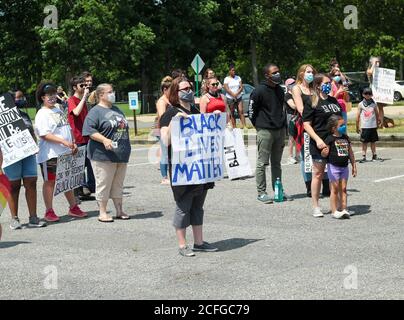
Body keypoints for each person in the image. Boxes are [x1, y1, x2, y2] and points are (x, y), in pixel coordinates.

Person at [159, 77, 218, 257]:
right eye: (184, 88)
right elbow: (164, 141)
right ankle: (182, 245)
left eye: (190, 87)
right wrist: (174, 122)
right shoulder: (170, 113)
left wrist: (214, 121)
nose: (189, 91)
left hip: (199, 167)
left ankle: (199, 242)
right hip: (182, 169)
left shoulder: (194, 110)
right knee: (183, 206)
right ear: (176, 92)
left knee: (198, 206)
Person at [34, 82, 87, 222]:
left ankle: (73, 207)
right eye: (48, 95)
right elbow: (44, 134)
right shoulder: (42, 113)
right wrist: (64, 142)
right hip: (50, 154)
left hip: (65, 152)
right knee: (50, 182)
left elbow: (67, 128)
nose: (51, 97)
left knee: (66, 180)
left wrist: (73, 142)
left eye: (53, 94)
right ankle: (49, 211)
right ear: (42, 98)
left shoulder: (58, 109)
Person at [83, 84, 131, 222]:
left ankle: (119, 210)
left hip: (120, 154)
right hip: (102, 155)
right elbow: (89, 130)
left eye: (113, 91)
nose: (113, 94)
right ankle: (102, 212)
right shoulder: (95, 112)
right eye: (109, 92)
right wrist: (104, 139)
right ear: (101, 95)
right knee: (103, 183)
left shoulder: (117, 110)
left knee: (118, 184)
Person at [3, 91, 47, 229]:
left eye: (20, 97)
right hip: (12, 156)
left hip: (28, 155)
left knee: (31, 183)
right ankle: (14, 218)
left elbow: (31, 132)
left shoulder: (24, 114)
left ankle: (33, 217)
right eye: (17, 98)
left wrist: (34, 145)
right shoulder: (1, 118)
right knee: (14, 186)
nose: (20, 99)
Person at [249, 63, 291, 203]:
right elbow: (251, 112)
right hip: (265, 130)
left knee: (276, 163)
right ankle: (261, 192)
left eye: (278, 71)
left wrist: (283, 127)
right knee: (262, 163)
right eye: (274, 72)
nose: (277, 74)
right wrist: (259, 127)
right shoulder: (258, 91)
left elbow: (282, 110)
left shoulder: (280, 90)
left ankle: (278, 190)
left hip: (279, 131)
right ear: (267, 75)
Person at [302, 74, 342, 218]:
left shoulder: (333, 100)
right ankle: (316, 206)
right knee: (318, 174)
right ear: (318, 85)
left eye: (330, 82)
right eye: (327, 82)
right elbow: (306, 124)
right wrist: (318, 140)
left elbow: (339, 121)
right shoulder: (311, 102)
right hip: (319, 143)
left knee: (334, 174)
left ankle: (336, 206)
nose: (330, 84)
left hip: (335, 143)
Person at [321, 115, 357, 219]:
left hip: (344, 167)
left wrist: (354, 165)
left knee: (344, 189)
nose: (344, 126)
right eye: (341, 125)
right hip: (333, 167)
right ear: (334, 128)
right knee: (335, 189)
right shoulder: (330, 139)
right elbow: (324, 154)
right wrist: (324, 152)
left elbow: (350, 152)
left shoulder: (345, 137)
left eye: (344, 124)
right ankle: (334, 210)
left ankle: (344, 209)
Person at [67, 75, 95, 198]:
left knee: (90, 164)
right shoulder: (72, 100)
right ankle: (78, 191)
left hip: (87, 137)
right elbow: (76, 112)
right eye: (81, 85)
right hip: (78, 138)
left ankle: (89, 188)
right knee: (79, 166)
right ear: (74, 87)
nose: (85, 87)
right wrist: (84, 97)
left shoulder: (85, 101)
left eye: (85, 85)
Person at [356, 87, 383, 163]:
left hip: (373, 126)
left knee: (373, 142)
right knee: (364, 142)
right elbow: (357, 116)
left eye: (369, 94)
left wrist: (378, 121)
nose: (368, 95)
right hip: (364, 126)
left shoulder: (374, 104)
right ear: (363, 95)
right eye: (366, 94)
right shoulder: (360, 104)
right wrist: (357, 126)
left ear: (372, 95)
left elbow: (377, 114)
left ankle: (374, 155)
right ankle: (364, 156)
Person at [154, 76, 173, 185]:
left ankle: (170, 173)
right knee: (164, 153)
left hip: (168, 129)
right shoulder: (161, 101)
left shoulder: (169, 99)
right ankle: (164, 177)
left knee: (169, 152)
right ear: (165, 90)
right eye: (171, 90)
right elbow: (162, 116)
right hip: (161, 129)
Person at [224, 64, 246, 129]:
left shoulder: (238, 77)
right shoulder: (226, 79)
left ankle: (244, 126)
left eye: (234, 70)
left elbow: (241, 87)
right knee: (232, 112)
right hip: (230, 98)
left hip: (238, 96)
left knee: (241, 110)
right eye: (232, 70)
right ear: (229, 71)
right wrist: (233, 95)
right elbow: (226, 88)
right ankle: (234, 127)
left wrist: (236, 94)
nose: (234, 72)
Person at [366, 56, 385, 128]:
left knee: (380, 107)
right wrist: (374, 64)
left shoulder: (381, 70)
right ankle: (374, 123)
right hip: (373, 90)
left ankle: (381, 123)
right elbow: (370, 73)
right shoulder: (369, 69)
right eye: (376, 62)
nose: (377, 63)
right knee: (373, 107)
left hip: (380, 90)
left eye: (378, 62)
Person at [329, 66, 349, 134]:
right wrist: (338, 92)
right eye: (335, 75)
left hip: (343, 109)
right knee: (335, 128)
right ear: (332, 76)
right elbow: (331, 100)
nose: (337, 77)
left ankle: (344, 142)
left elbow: (347, 99)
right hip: (335, 109)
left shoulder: (342, 85)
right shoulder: (330, 85)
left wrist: (346, 92)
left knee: (343, 128)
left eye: (339, 75)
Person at [284, 78, 299, 164]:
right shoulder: (287, 95)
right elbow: (293, 106)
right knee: (292, 137)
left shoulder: (297, 94)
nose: (294, 84)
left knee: (298, 137)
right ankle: (289, 157)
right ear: (288, 86)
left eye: (294, 83)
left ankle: (297, 155)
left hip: (298, 116)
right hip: (291, 117)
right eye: (292, 83)